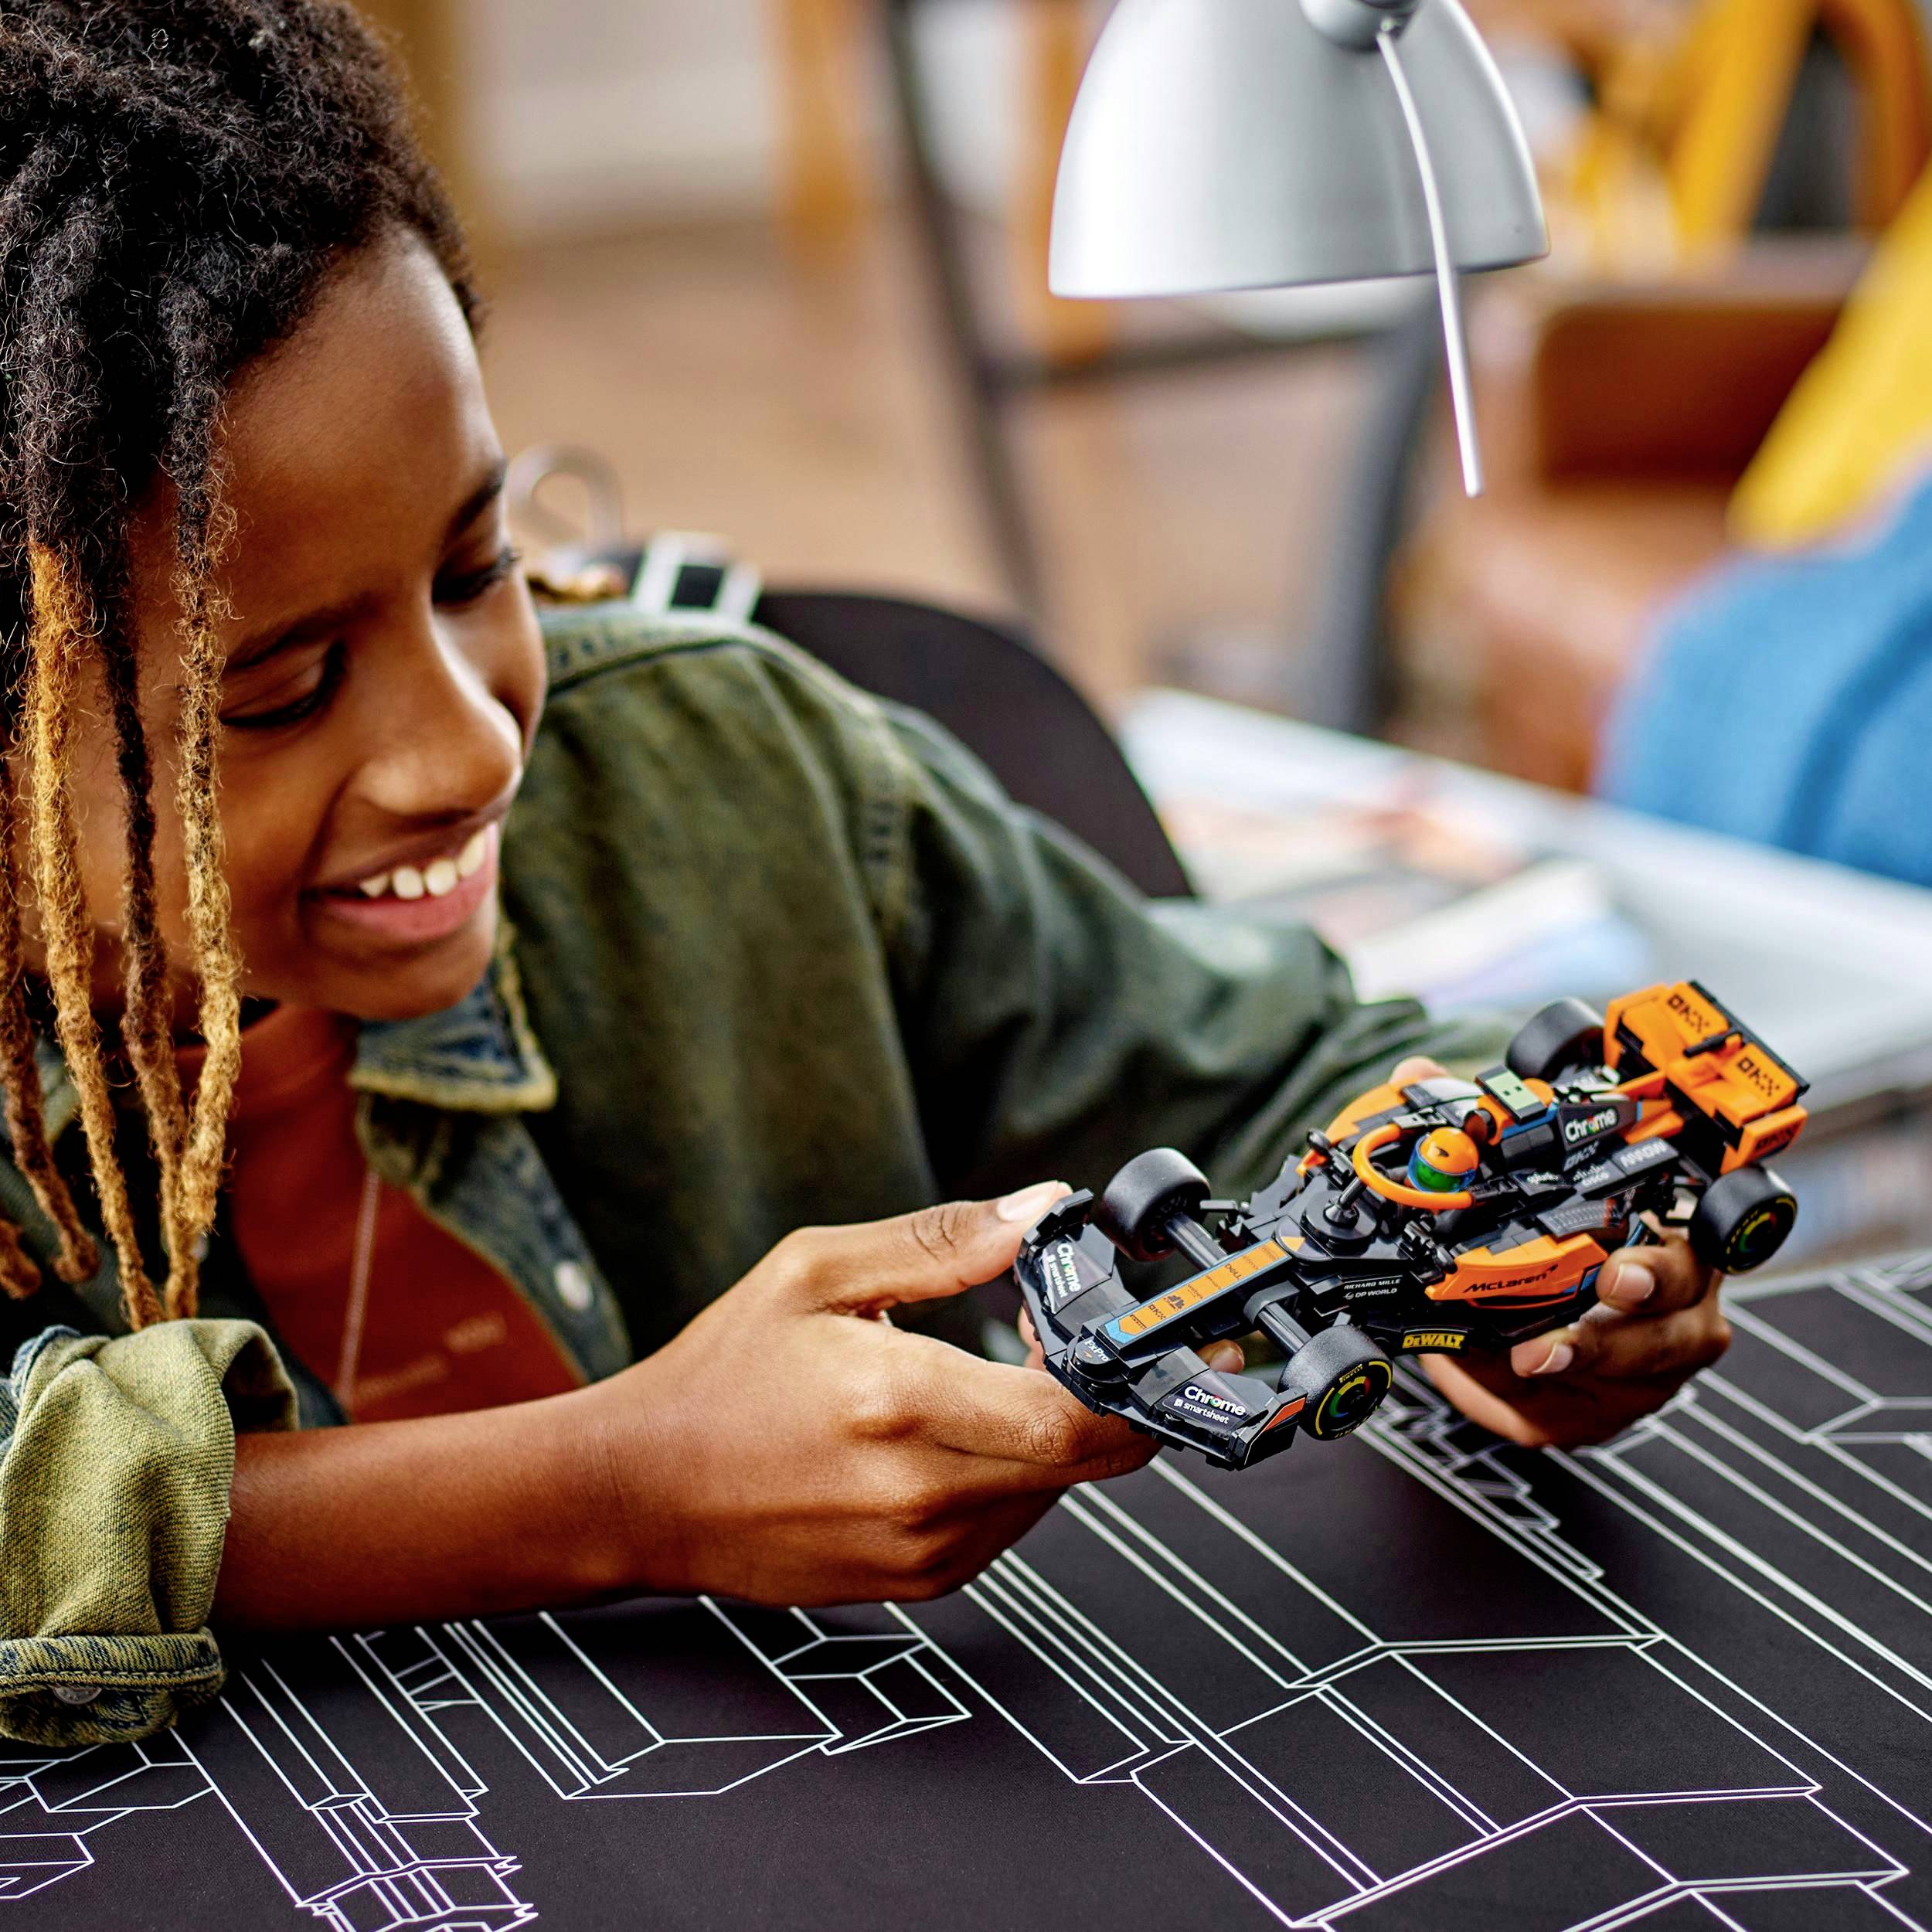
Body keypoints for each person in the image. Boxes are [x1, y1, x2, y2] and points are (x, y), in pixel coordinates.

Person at [0, 0, 1728, 1754]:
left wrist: (1505, 1266)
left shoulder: (728, 772)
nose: (467, 750)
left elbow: (1288, 1069)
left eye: (475, 566)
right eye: (281, 689)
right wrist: (613, 1484)